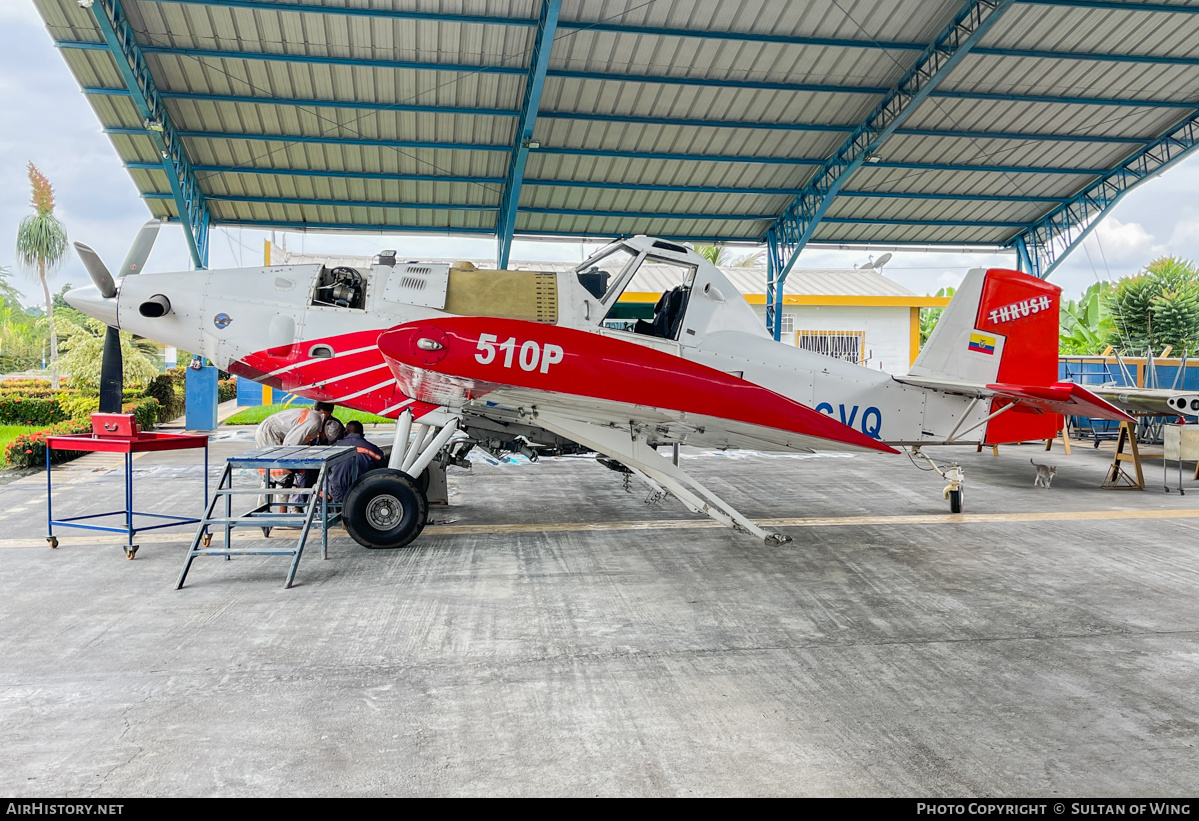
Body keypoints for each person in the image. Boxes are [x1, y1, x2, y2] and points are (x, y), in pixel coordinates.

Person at [326, 420, 385, 503]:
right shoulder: (372, 449)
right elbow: (382, 467)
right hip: (362, 492)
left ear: (345, 433)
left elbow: (324, 469)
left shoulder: (333, 448)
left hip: (337, 493)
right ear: (363, 435)